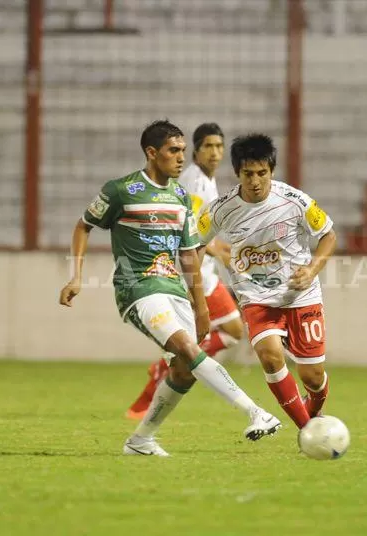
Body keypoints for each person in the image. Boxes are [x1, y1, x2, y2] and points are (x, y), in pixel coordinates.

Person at [59, 120, 282, 457]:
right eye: (173, 151)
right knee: (189, 351)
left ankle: (141, 440)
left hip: (174, 288)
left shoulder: (179, 195)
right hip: (138, 289)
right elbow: (83, 225)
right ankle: (256, 413)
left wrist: (201, 305)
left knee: (184, 369)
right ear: (152, 153)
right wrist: (75, 276)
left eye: (181, 150)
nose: (181, 157)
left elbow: (189, 254)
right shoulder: (121, 191)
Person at [197, 133, 337, 430]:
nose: (256, 181)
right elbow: (194, 243)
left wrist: (312, 269)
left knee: (312, 377)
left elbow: (328, 235)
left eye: (262, 173)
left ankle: (313, 412)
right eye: (248, 174)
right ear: (238, 174)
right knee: (271, 358)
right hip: (256, 298)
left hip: (300, 296)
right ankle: (307, 431)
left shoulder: (294, 200)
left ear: (272, 171)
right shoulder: (222, 209)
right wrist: (193, 292)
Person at [125, 122, 246, 420]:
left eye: (219, 146)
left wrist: (227, 252)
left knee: (219, 334)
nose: (215, 153)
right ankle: (163, 373)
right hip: (195, 276)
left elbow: (203, 228)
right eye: (209, 146)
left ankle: (164, 372)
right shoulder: (193, 183)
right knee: (231, 331)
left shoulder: (206, 180)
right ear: (196, 150)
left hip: (205, 273)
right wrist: (221, 253)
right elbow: (187, 231)